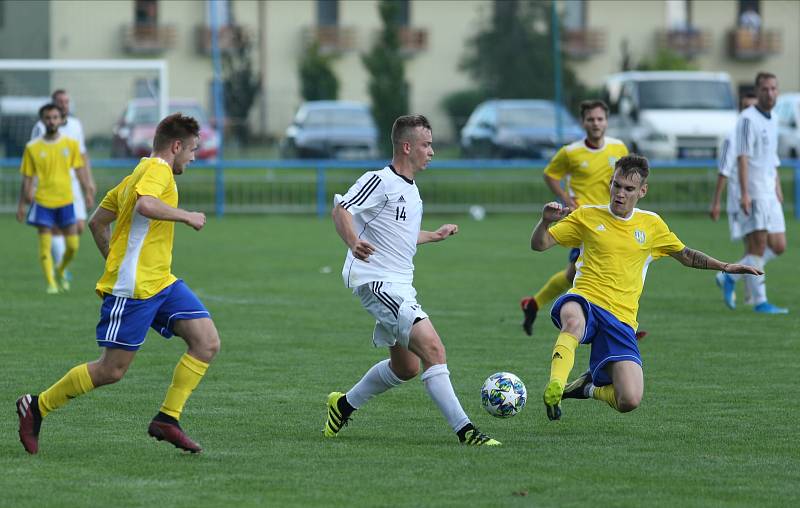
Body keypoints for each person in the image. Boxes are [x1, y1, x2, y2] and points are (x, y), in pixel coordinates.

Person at [16, 113, 221, 454]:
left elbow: (98, 223)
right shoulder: (156, 172)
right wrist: (186, 216)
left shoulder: (135, 174)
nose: (194, 157)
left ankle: (167, 419)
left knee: (207, 342)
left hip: (160, 282)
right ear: (176, 146)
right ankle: (36, 406)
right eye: (192, 150)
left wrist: (118, 260)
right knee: (110, 370)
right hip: (137, 288)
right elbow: (146, 204)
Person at [529, 154, 762, 420]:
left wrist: (725, 266)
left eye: (628, 189)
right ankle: (555, 382)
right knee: (572, 318)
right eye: (616, 185)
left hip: (621, 318)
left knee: (629, 398)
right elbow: (540, 244)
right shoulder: (587, 216)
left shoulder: (651, 225)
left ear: (642, 191)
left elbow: (686, 255)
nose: (620, 193)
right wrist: (545, 221)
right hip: (586, 299)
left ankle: (586, 388)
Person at [324, 114, 499, 446]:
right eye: (426, 144)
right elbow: (341, 210)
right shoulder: (379, 180)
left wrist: (434, 235)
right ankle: (467, 431)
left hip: (400, 283)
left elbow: (398, 235)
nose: (431, 151)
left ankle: (343, 405)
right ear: (407, 147)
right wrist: (352, 242)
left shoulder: (411, 191)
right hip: (378, 282)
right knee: (434, 347)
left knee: (406, 368)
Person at [520, 100, 646, 340]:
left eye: (600, 119)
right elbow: (550, 175)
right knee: (590, 274)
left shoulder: (618, 147)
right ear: (583, 122)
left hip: (615, 220)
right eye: (591, 119)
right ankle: (617, 325)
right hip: (587, 224)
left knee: (574, 275)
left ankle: (534, 304)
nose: (596, 124)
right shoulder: (571, 152)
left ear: (606, 121)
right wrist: (566, 198)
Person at [716, 72, 787, 314]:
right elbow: (742, 157)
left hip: (770, 192)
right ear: (757, 92)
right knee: (756, 247)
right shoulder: (747, 119)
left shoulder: (774, 118)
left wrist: (777, 186)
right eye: (765, 89)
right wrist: (745, 193)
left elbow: (772, 157)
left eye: (773, 88)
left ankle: (730, 276)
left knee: (779, 245)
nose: (770, 93)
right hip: (755, 192)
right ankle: (760, 302)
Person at [17, 103, 94, 293]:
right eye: (48, 117)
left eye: (54, 117)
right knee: (45, 245)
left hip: (66, 201)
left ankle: (60, 270)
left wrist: (88, 191)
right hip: (42, 201)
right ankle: (51, 283)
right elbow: (27, 177)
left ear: (61, 120)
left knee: (73, 246)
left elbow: (79, 170)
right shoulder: (32, 148)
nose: (51, 121)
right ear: (42, 120)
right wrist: (21, 204)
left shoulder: (70, 144)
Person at [30, 89, 96, 277]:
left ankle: (59, 259)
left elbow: (82, 156)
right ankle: (61, 267)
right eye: (60, 101)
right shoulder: (41, 127)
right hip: (50, 184)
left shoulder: (75, 125)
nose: (64, 104)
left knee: (79, 226)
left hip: (73, 183)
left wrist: (88, 184)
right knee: (57, 227)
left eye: (67, 101)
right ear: (53, 103)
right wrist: (32, 185)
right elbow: (33, 155)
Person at [709, 91, 759, 307]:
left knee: (754, 248)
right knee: (754, 247)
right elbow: (724, 170)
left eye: (753, 107)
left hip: (757, 197)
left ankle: (748, 293)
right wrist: (717, 201)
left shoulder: (756, 133)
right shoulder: (733, 137)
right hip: (741, 200)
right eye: (746, 107)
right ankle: (732, 279)